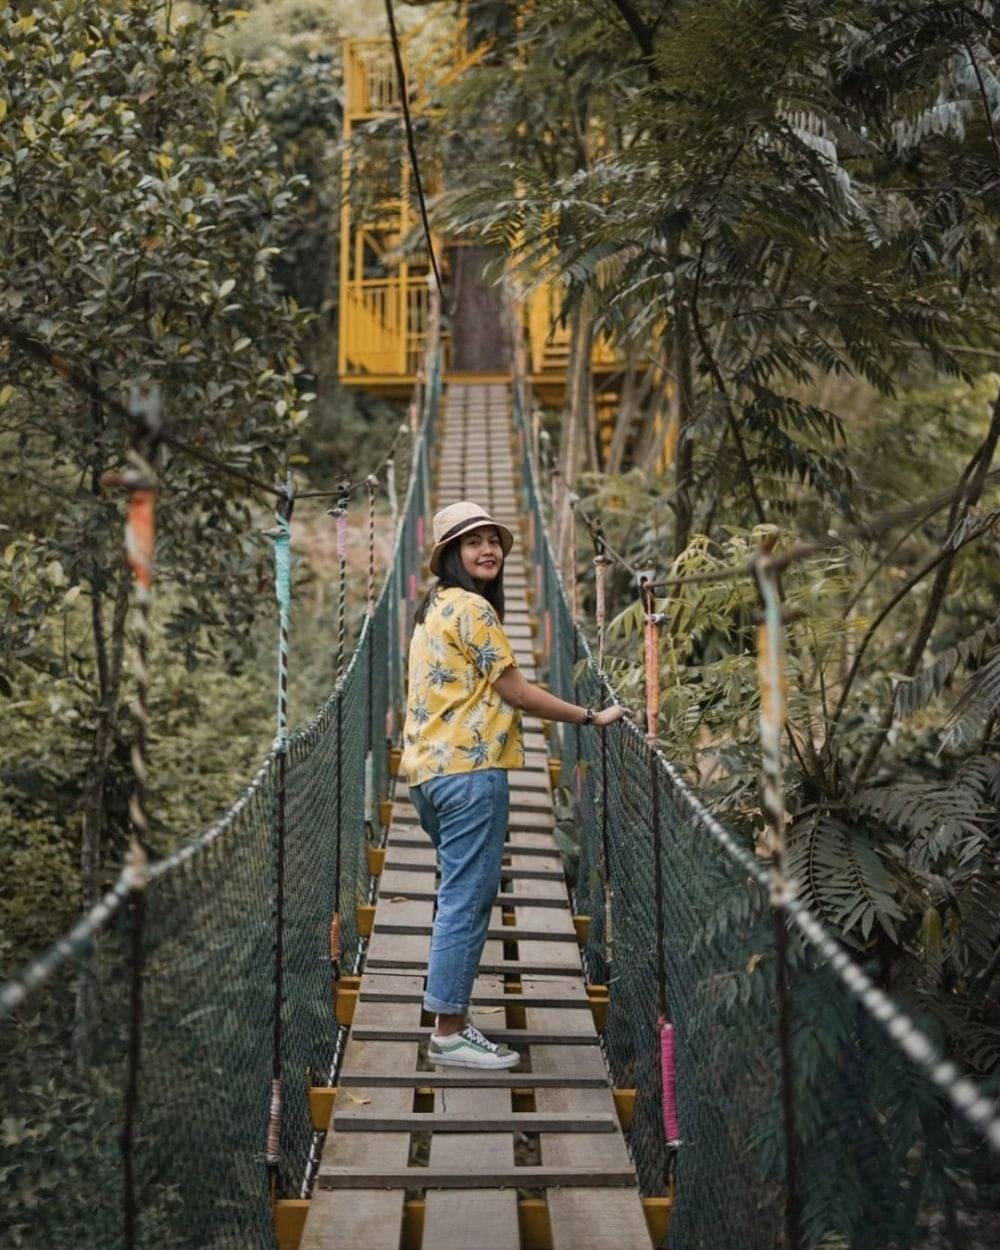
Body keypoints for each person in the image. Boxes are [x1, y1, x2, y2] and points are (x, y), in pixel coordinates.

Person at [399, 499, 627, 1070]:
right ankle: (449, 1030)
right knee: (467, 899)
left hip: (428, 778)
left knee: (459, 893)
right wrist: (589, 717)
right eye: (472, 542)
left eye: (493, 540)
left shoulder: (432, 612)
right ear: (450, 555)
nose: (487, 549)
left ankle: (449, 1016)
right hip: (471, 777)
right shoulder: (474, 611)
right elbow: (518, 692)